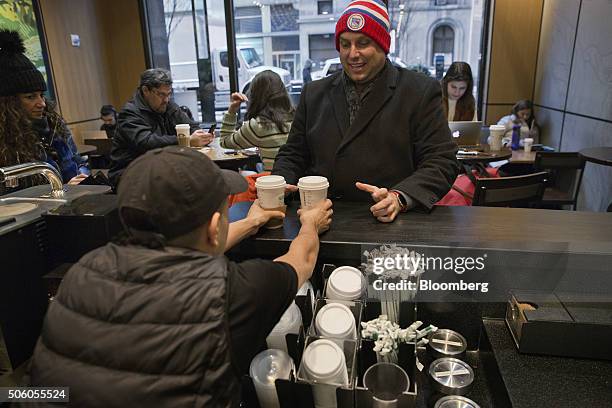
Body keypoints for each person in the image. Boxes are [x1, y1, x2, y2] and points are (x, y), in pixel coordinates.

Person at [25, 146, 333, 407]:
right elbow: (302, 259)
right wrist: (310, 223)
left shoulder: (85, 269)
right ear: (215, 226)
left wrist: (251, 223)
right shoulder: (233, 292)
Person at [272, 0, 459, 222]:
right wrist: (280, 183)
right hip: (318, 220)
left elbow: (442, 160)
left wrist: (399, 197)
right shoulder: (314, 93)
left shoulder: (419, 91)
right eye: (344, 44)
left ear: (383, 45)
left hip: (388, 220)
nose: (352, 54)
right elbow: (293, 153)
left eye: (363, 43)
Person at [0, 29, 89, 194]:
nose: (41, 103)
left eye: (41, 95)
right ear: (9, 102)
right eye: (30, 97)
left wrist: (83, 175)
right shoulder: (5, 139)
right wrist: (62, 190)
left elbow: (79, 161)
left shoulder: (56, 125)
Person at [108, 68, 214, 186]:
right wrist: (186, 140)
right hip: (128, 172)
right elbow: (146, 142)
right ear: (145, 90)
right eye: (161, 94)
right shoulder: (130, 113)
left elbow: (190, 126)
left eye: (169, 94)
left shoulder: (167, 105)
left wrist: (200, 135)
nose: (166, 100)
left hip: (158, 166)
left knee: (201, 175)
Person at [220, 70, 294, 171]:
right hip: (300, 181)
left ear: (254, 95)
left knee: (242, 173)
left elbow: (224, 141)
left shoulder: (258, 125)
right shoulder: (298, 117)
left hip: (272, 182)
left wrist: (232, 110)